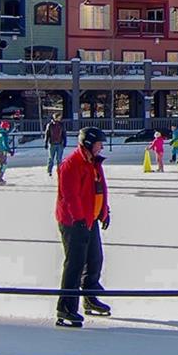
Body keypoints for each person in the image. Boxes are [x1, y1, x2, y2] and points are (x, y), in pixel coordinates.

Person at [54, 126, 111, 327]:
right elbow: (70, 196)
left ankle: (89, 297)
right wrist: (79, 221)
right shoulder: (71, 164)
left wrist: (104, 211)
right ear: (88, 143)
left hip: (90, 218)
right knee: (75, 264)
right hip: (74, 221)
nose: (101, 147)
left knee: (95, 260)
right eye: (99, 143)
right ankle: (66, 307)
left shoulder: (94, 162)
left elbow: (99, 188)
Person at [0, 120, 15, 185]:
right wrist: (10, 151)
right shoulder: (4, 134)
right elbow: (5, 144)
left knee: (2, 165)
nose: (8, 129)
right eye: (7, 127)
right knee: (3, 166)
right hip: (2, 151)